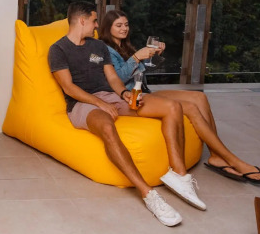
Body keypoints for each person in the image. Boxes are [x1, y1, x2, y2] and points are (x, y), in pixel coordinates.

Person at [49, 2, 204, 227]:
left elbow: (112, 78)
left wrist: (125, 94)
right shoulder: (58, 49)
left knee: (172, 107)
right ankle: (149, 194)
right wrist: (99, 103)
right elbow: (68, 87)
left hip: (110, 96)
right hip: (82, 103)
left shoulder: (98, 46)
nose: (96, 25)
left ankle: (178, 175)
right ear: (82, 20)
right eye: (94, 21)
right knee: (107, 126)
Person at [100, 9, 260, 185]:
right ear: (108, 28)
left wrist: (155, 56)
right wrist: (137, 57)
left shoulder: (124, 46)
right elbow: (117, 79)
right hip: (130, 95)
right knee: (190, 107)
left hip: (144, 90)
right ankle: (232, 160)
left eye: (126, 24)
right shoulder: (105, 49)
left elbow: (143, 70)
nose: (124, 28)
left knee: (199, 98)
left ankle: (215, 156)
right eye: (119, 25)